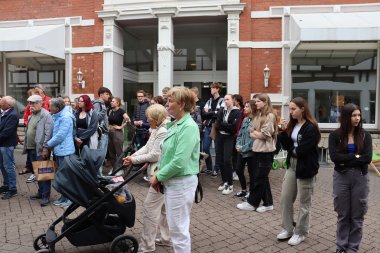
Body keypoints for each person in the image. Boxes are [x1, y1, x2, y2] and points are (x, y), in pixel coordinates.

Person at [150, 87, 200, 253]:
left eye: (170, 101)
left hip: (181, 184)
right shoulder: (175, 124)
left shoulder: (189, 127)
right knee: (176, 228)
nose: (167, 104)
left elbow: (179, 161)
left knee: (178, 231)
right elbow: (166, 154)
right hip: (173, 183)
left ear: (182, 104)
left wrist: (158, 176)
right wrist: (158, 172)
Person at [123, 104, 171, 252]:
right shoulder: (158, 128)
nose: (147, 120)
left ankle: (147, 246)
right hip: (159, 174)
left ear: (156, 118)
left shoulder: (163, 130)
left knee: (150, 209)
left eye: (149, 118)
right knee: (163, 209)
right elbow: (147, 147)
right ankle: (166, 238)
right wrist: (133, 156)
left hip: (159, 175)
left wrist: (133, 160)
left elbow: (155, 155)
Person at [276, 97, 321, 246]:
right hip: (292, 165)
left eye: (294, 109)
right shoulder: (292, 124)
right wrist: (283, 131)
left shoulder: (311, 127)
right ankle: (288, 228)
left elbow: (302, 150)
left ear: (303, 109)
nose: (291, 112)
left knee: (304, 202)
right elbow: (286, 145)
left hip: (306, 167)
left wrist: (292, 149)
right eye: (290, 109)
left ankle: (300, 232)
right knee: (285, 198)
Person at [329, 103, 372, 253]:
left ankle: (353, 248)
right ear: (346, 117)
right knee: (343, 215)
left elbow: (367, 158)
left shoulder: (365, 135)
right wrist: (354, 156)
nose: (357, 118)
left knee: (357, 215)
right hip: (341, 177)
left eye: (359, 115)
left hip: (360, 177)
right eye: (354, 115)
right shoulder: (335, 135)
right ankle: (341, 247)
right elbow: (334, 157)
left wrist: (345, 159)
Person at [237, 94, 277, 213]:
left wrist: (255, 133)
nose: (256, 103)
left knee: (259, 179)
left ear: (265, 102)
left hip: (266, 152)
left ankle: (252, 203)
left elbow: (265, 134)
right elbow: (251, 133)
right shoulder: (258, 115)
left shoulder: (269, 116)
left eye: (258, 101)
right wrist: (256, 133)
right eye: (255, 101)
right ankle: (268, 203)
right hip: (258, 150)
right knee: (262, 178)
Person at [23, 95, 53, 206]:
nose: (30, 105)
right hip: (31, 148)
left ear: (40, 103)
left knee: (44, 174)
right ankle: (41, 192)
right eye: (29, 103)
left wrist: (45, 148)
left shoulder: (46, 115)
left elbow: (48, 133)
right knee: (37, 173)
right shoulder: (31, 116)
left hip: (41, 149)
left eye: (33, 103)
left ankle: (46, 196)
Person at [48, 98, 76, 208]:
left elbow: (60, 135)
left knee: (66, 176)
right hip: (60, 150)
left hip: (65, 150)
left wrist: (48, 144)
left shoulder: (65, 117)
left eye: (51, 106)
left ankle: (70, 199)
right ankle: (64, 196)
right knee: (62, 175)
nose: (49, 108)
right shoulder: (59, 115)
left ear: (57, 108)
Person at [215, 94, 241, 195]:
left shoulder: (237, 112)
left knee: (227, 160)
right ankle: (225, 181)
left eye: (228, 99)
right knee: (220, 159)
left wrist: (224, 125)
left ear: (232, 100)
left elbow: (233, 128)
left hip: (229, 138)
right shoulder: (222, 110)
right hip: (220, 137)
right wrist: (226, 126)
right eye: (224, 99)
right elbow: (217, 124)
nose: (226, 101)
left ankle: (230, 184)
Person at [201, 82, 225, 176]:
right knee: (205, 147)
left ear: (217, 89)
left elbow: (220, 113)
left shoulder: (222, 100)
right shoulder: (209, 100)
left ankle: (216, 168)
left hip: (217, 126)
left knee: (218, 149)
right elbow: (203, 114)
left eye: (212, 88)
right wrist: (214, 112)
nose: (210, 90)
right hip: (208, 126)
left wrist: (210, 112)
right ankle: (209, 167)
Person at [234, 99, 256, 198]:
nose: (244, 108)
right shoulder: (245, 119)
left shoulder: (257, 121)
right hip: (241, 151)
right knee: (238, 170)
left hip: (251, 152)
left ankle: (251, 192)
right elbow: (240, 134)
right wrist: (237, 145)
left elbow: (253, 140)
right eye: (245, 106)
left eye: (247, 107)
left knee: (252, 173)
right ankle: (244, 190)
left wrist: (243, 148)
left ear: (253, 108)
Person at [0, 96, 19, 199]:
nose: (0, 103)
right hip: (2, 144)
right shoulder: (3, 112)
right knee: (2, 166)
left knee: (9, 166)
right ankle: (6, 185)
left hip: (7, 145)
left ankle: (12, 188)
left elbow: (6, 132)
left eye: (2, 101)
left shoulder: (12, 115)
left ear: (8, 105)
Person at [107, 97, 130, 170]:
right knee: (111, 152)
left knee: (119, 152)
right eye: (111, 101)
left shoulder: (121, 111)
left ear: (117, 103)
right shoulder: (110, 110)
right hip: (109, 131)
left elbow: (128, 120)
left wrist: (121, 127)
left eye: (113, 101)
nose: (111, 102)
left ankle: (122, 169)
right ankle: (114, 168)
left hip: (117, 132)